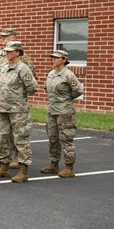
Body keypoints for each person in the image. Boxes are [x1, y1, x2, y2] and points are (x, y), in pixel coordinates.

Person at [0, 28, 37, 168]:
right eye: (1, 37)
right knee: (0, 128)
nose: (3, 39)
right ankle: (1, 154)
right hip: (0, 97)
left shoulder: (23, 58)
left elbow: (31, 81)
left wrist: (19, 96)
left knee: (17, 129)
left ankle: (17, 157)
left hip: (16, 102)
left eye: (6, 37)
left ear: (14, 37)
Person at [41, 50, 84, 178]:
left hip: (64, 111)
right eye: (52, 57)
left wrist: (66, 99)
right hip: (52, 110)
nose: (53, 59)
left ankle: (69, 167)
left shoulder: (68, 75)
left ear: (64, 60)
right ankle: (53, 164)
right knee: (53, 138)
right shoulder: (51, 74)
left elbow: (78, 90)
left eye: (56, 58)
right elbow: (46, 88)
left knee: (66, 138)